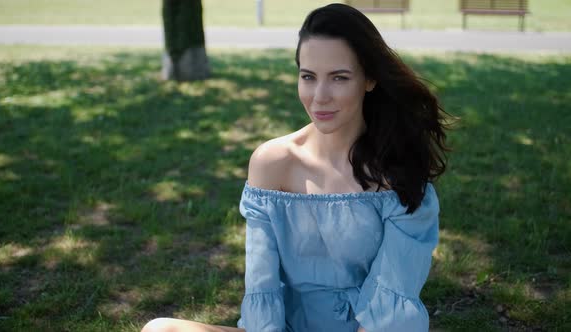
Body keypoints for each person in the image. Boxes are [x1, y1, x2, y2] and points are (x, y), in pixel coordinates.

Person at [142, 3, 449, 332]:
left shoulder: (398, 172)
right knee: (159, 329)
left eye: (339, 78)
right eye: (308, 77)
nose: (320, 96)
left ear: (369, 79)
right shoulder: (272, 163)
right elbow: (262, 287)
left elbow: (391, 304)